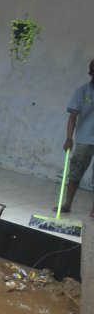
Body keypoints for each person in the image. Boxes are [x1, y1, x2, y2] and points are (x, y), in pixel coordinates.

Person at [62, 59, 94, 215]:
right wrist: (69, 138)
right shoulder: (82, 91)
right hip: (85, 139)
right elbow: (72, 116)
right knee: (75, 173)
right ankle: (67, 204)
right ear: (91, 72)